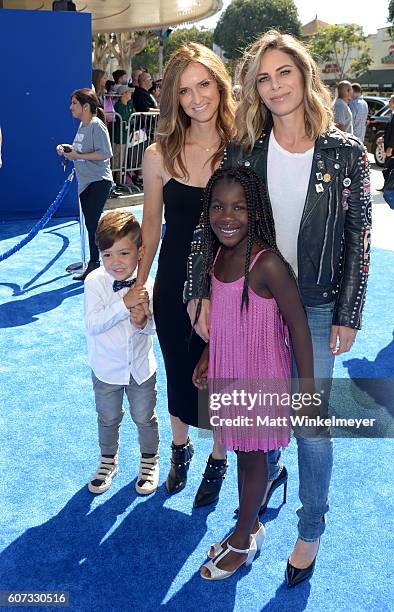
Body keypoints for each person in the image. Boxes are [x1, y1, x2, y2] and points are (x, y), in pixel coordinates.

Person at [185, 30, 371, 586]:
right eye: (262, 78)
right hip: (252, 304)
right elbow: (207, 224)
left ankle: (309, 529)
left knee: (310, 423)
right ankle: (258, 502)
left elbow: (359, 236)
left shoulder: (346, 153)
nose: (273, 86)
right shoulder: (245, 150)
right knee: (256, 415)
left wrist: (349, 311)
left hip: (315, 307)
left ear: (305, 75)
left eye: (283, 72)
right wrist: (197, 291)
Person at [192, 166, 314, 580]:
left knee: (252, 455)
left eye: (239, 208)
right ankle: (247, 525)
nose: (227, 217)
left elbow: (298, 327)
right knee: (245, 453)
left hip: (261, 374)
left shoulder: (268, 264)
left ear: (256, 212)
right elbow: (225, 318)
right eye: (218, 207)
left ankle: (243, 540)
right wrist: (209, 354)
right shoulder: (219, 254)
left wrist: (308, 392)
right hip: (231, 370)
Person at [137, 43, 236, 505]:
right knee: (179, 368)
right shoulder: (158, 155)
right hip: (174, 280)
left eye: (204, 84)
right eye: (184, 89)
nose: (196, 97)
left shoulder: (243, 149)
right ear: (172, 97)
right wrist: (139, 282)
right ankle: (181, 448)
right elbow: (152, 225)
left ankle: (219, 457)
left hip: (230, 282)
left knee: (221, 375)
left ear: (220, 84)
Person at [84, 210, 159, 495]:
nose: (115, 263)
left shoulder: (149, 284)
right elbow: (93, 324)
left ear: (141, 252)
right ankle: (107, 461)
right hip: (105, 369)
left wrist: (144, 322)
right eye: (107, 255)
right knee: (108, 417)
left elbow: (155, 328)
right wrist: (124, 305)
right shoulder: (94, 282)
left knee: (144, 417)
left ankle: (149, 460)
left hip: (140, 367)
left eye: (124, 253)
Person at [56, 88, 113, 281]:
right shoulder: (83, 126)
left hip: (98, 181)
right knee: (91, 225)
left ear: (86, 106)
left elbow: (105, 153)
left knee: (92, 224)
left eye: (74, 103)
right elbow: (80, 151)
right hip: (85, 182)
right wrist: (66, 149)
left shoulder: (96, 126)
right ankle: (96, 263)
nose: (70, 107)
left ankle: (98, 263)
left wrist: (77, 155)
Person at [112, 84, 135, 176]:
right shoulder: (118, 106)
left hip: (125, 137)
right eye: (128, 92)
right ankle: (113, 180)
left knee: (122, 160)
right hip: (118, 137)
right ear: (123, 94)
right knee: (116, 160)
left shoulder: (129, 104)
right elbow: (123, 119)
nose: (130, 94)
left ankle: (119, 180)